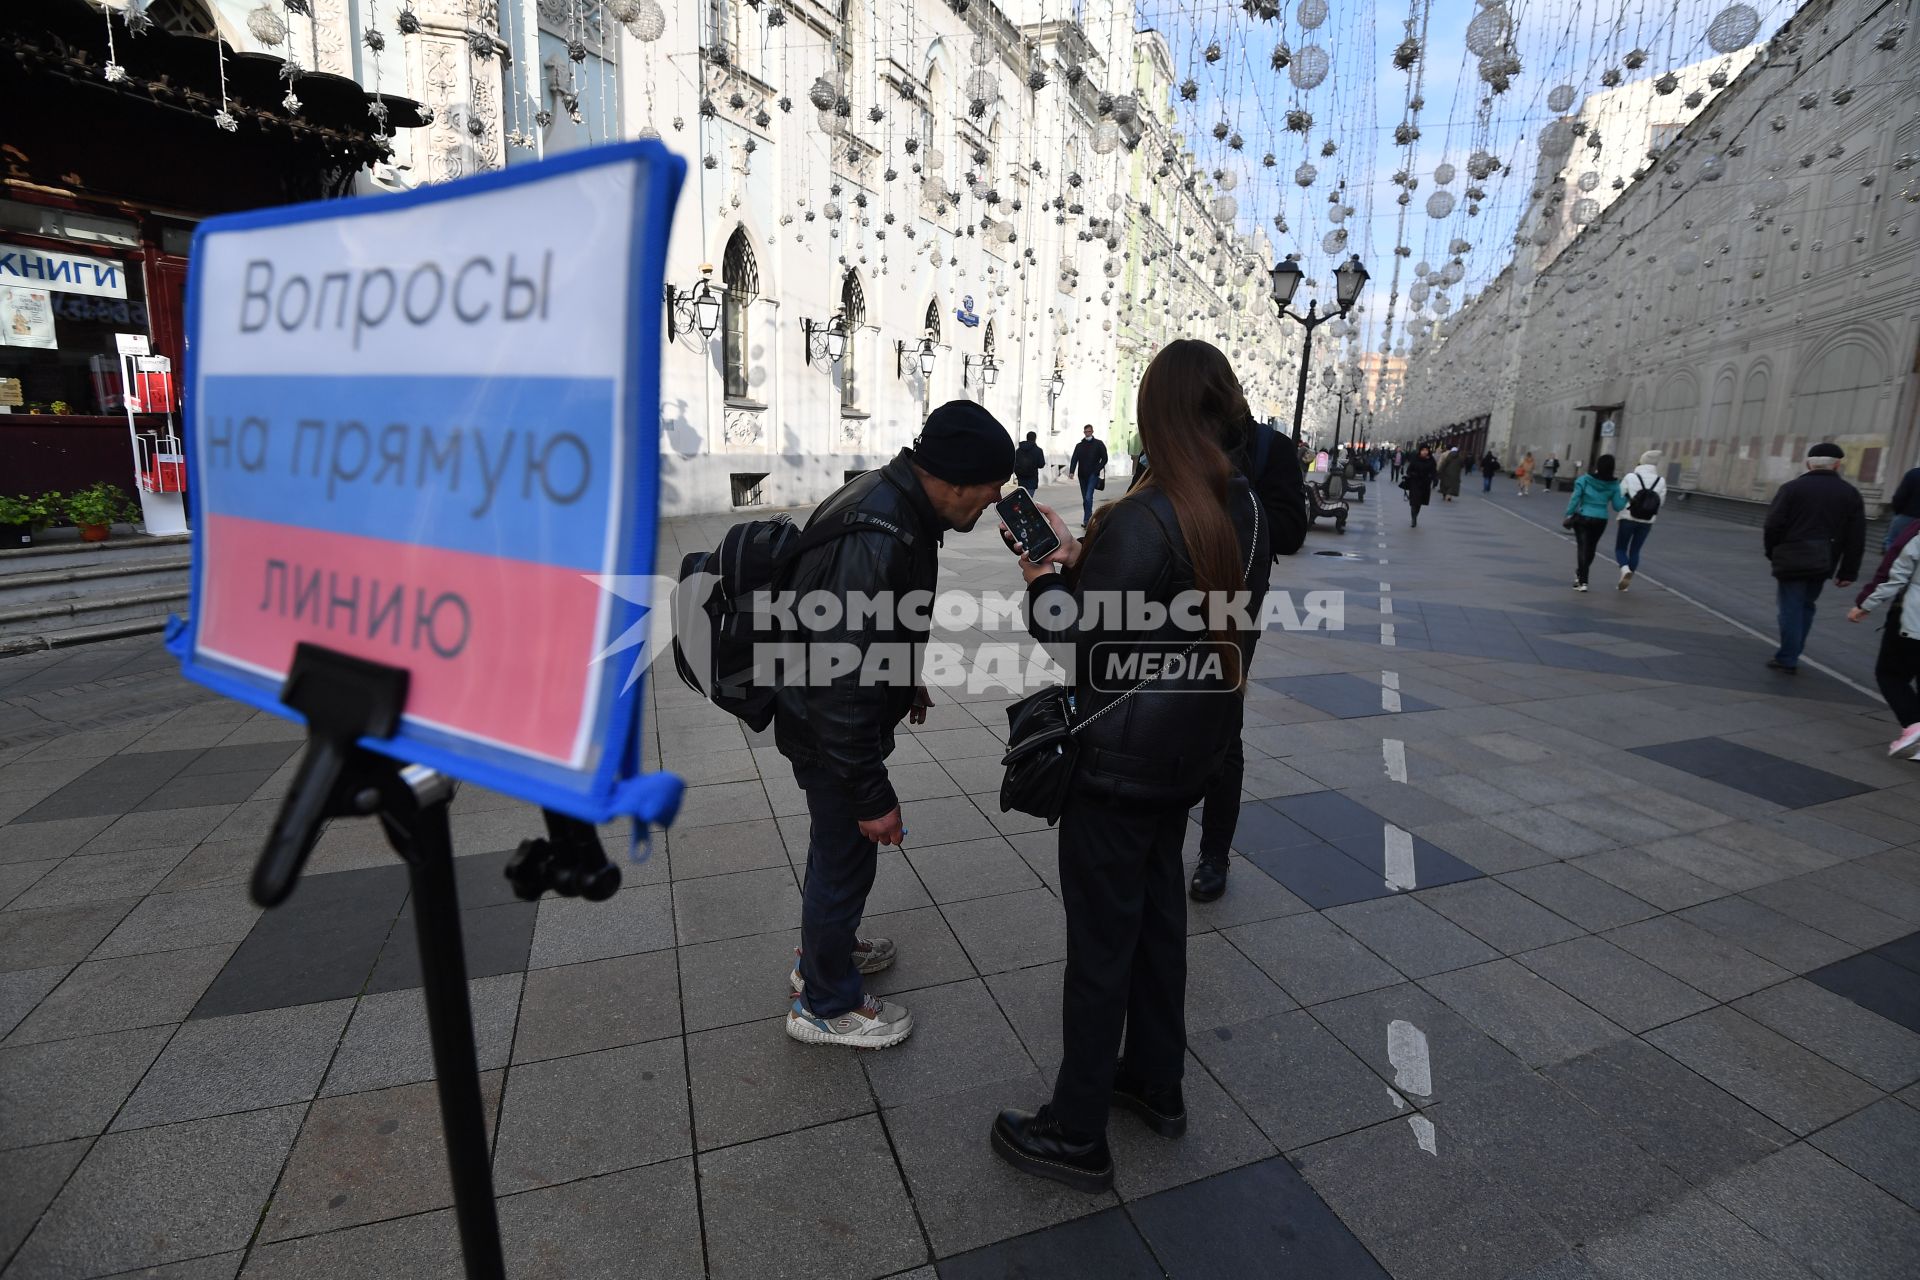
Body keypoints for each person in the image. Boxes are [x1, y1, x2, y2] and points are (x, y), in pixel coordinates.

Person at [989, 340, 1271, 1193]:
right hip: (1192, 750)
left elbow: (1075, 639)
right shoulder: (1245, 505)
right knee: (1157, 921)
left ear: (1156, 416)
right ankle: (1156, 1080)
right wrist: (1087, 564)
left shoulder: (1150, 513)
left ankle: (1075, 1132)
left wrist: (1044, 573)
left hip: (1120, 760)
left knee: (1101, 944)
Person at [781, 402, 1013, 1049]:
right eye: (993, 487)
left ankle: (826, 955)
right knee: (845, 856)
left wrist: (902, 674)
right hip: (828, 728)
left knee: (838, 853)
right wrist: (872, 792)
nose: (995, 501)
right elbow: (838, 675)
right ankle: (823, 1002)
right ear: (958, 478)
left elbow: (865, 631)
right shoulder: (881, 529)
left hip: (826, 716)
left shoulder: (895, 501)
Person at [1191, 409, 1308, 903]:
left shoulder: (1269, 450)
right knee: (1162, 720)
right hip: (1165, 602)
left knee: (1223, 729)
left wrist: (1233, 495)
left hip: (1236, 612)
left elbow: (1291, 533)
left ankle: (1214, 853)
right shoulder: (1176, 440)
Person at [1763, 442, 1865, 673]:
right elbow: (1856, 536)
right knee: (1807, 606)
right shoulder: (1849, 493)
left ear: (1809, 463)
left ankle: (1788, 657)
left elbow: (1773, 525)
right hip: (1824, 560)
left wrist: (1773, 552)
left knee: (1790, 607)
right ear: (1837, 465)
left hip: (1791, 558)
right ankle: (1793, 652)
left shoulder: (1791, 489)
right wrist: (1848, 571)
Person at [1849, 522, 1920, 755]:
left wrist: (1866, 604)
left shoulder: (1917, 532)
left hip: (1913, 620)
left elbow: (1894, 574)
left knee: (1890, 674)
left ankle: (1914, 724)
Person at [1564, 453, 1623, 592]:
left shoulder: (1584, 480)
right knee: (1591, 548)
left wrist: (1569, 513)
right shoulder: (1614, 484)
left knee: (1582, 548)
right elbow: (1617, 506)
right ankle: (1580, 575)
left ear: (1597, 465)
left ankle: (1583, 581)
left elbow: (1575, 498)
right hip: (1601, 518)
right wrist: (1626, 498)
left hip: (1583, 516)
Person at [1614, 450, 1668, 591]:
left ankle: (1625, 570)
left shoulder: (1630, 476)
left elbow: (1620, 494)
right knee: (1635, 550)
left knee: (1620, 548)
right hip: (1647, 520)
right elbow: (1660, 502)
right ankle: (1625, 585)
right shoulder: (1661, 480)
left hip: (1628, 517)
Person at [1068, 423, 1108, 528]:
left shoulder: (1098, 444)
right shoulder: (1079, 445)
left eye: (1089, 431)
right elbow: (1074, 459)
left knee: (1088, 497)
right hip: (1082, 475)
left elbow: (1105, 458)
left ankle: (1088, 521)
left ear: (1092, 432)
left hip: (1093, 475)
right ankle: (1087, 520)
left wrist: (1097, 469)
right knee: (1085, 499)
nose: (1087, 433)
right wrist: (1072, 471)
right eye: (1085, 432)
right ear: (1084, 432)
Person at [1886, 464, 1920, 550]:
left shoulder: (1913, 474)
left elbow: (1900, 496)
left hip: (1907, 516)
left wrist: (1898, 512)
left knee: (1893, 544)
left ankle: (1890, 562)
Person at [1402, 445, 1438, 527]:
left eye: (1426, 450)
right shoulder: (1415, 459)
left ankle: (1415, 515)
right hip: (1415, 483)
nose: (1425, 452)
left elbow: (1434, 472)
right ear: (1420, 451)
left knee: (1419, 503)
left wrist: (1434, 478)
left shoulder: (1431, 461)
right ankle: (1413, 519)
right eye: (1423, 450)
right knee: (1414, 502)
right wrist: (1412, 474)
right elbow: (1409, 470)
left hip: (1425, 484)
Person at [1015, 431, 1045, 496]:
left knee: (1022, 497)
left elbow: (1014, 463)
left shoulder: (1019, 450)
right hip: (1032, 479)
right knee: (1028, 499)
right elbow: (1041, 464)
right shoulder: (1038, 450)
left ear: (1027, 438)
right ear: (1035, 438)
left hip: (1021, 479)